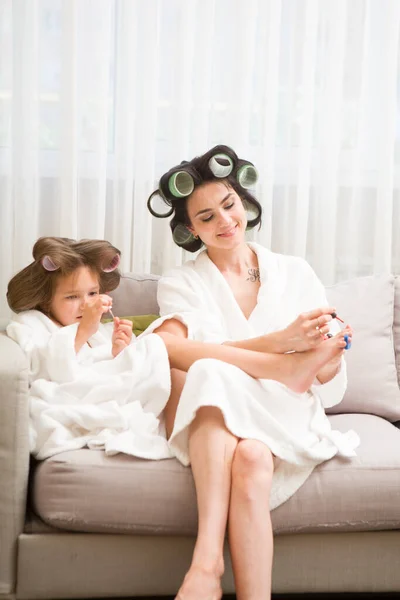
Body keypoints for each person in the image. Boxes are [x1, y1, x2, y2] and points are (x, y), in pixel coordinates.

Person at [147, 145, 360, 600]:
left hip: (285, 408)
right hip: (222, 415)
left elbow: (325, 380)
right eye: (206, 218)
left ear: (243, 202)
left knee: (211, 372)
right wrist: (276, 349)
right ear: (189, 230)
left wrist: (331, 353)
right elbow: (166, 348)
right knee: (224, 403)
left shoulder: (293, 271)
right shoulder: (182, 282)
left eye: (229, 205)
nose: (225, 221)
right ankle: (215, 568)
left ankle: (207, 565)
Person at [6, 236, 345, 463]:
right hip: (79, 394)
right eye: (72, 297)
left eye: (93, 294)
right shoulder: (29, 325)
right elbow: (46, 367)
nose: (86, 304)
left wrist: (118, 347)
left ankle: (278, 365)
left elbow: (113, 368)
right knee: (159, 343)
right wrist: (84, 333)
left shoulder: (98, 327)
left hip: (112, 386)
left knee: (161, 348)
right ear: (45, 299)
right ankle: (278, 364)